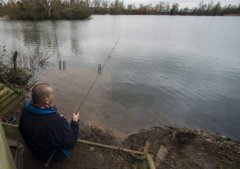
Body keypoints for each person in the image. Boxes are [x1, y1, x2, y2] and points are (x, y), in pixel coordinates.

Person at [19, 83, 80, 162]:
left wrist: (58, 120)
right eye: (52, 94)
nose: (53, 95)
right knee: (68, 139)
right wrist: (75, 122)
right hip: (50, 156)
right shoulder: (56, 121)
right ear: (46, 100)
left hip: (33, 149)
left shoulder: (25, 110)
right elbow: (70, 143)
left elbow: (21, 128)